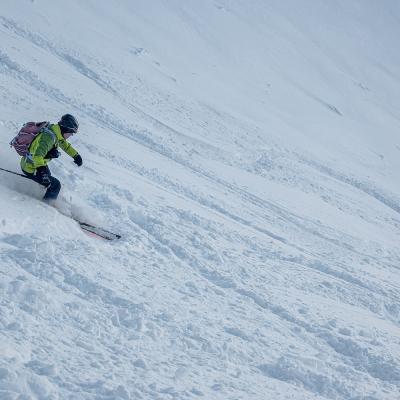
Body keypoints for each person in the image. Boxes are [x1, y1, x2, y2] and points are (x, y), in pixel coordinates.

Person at [20, 114, 83, 201]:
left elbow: (65, 145)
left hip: (35, 164)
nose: (71, 135)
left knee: (48, 181)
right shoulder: (49, 138)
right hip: (31, 167)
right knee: (56, 185)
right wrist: (41, 170)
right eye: (71, 133)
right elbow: (37, 155)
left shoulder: (55, 132)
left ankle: (41, 193)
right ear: (66, 129)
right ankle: (47, 205)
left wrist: (76, 155)